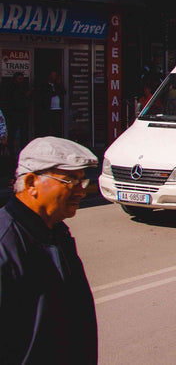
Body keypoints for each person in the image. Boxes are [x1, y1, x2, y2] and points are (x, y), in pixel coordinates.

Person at [0, 136, 99, 363]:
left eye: (82, 181)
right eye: (70, 181)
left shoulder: (56, 233)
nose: (81, 191)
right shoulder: (6, 245)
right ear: (31, 183)